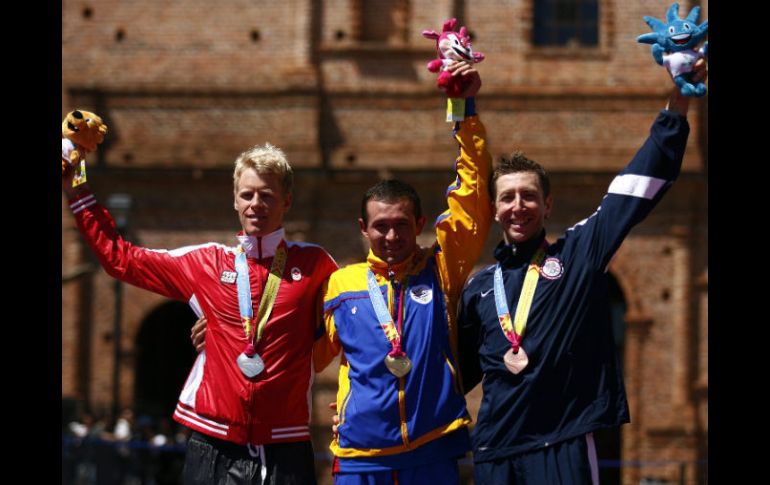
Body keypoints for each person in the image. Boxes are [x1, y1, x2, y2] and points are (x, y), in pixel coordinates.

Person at [456, 62, 708, 484]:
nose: (518, 206)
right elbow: (453, 376)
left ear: (548, 206)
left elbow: (635, 189)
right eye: (507, 198)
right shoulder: (479, 288)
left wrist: (678, 102)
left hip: (561, 443)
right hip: (494, 451)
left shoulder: (577, 255)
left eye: (529, 196)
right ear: (494, 209)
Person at [62, 141, 338, 484]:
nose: (256, 204)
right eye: (247, 195)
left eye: (267, 195)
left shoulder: (316, 264)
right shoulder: (206, 262)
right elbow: (120, 258)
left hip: (286, 442)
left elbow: (356, 325)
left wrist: (353, 402)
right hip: (213, 440)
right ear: (234, 200)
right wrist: (77, 184)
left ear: (287, 201)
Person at [312, 62, 493, 485]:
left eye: (401, 225)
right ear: (363, 228)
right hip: (359, 455)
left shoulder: (440, 269)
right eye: (381, 226)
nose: (392, 236)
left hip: (432, 447)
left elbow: (473, 202)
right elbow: (305, 353)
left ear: (420, 224)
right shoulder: (341, 284)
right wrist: (227, 330)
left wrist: (464, 109)